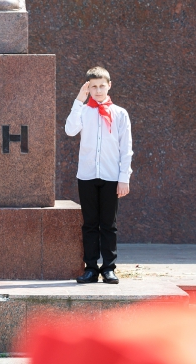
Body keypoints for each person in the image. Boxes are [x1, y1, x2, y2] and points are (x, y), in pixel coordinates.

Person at [65, 66, 133, 285]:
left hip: (111, 176)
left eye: (102, 85)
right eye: (93, 86)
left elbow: (126, 148)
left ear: (109, 85)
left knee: (109, 224)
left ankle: (109, 268)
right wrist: (79, 100)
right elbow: (70, 130)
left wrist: (124, 178)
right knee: (90, 224)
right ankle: (91, 268)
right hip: (87, 175)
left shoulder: (120, 113)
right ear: (88, 88)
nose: (98, 90)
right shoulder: (83, 111)